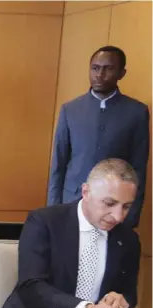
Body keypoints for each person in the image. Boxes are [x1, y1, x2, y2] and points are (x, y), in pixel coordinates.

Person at [3, 159, 141, 308]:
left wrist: (121, 301)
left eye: (126, 207)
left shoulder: (128, 239)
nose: (118, 216)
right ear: (86, 192)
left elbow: (129, 293)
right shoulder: (44, 221)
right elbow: (31, 286)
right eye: (109, 204)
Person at [48, 45, 149, 228]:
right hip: (72, 203)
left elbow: (138, 167)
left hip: (114, 208)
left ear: (121, 73)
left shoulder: (136, 112)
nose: (100, 74)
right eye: (95, 68)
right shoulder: (70, 110)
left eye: (108, 68)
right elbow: (58, 164)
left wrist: (131, 214)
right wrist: (53, 209)